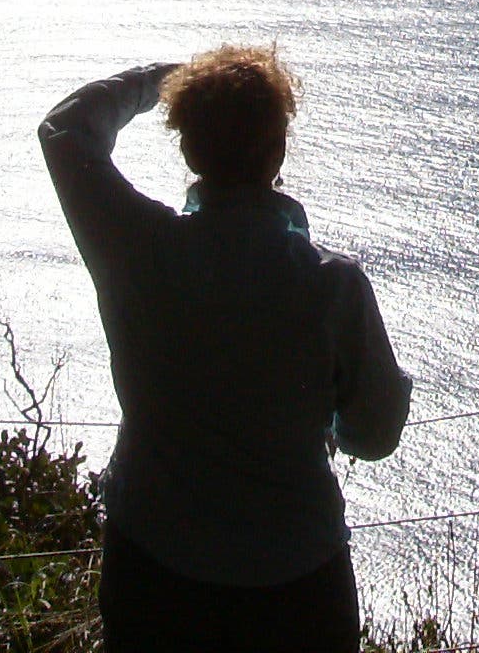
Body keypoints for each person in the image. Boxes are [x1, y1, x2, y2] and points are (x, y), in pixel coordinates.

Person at [39, 45, 410, 652]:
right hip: (297, 581)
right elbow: (375, 436)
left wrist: (156, 81)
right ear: (279, 150)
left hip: (156, 573)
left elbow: (64, 130)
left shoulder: (137, 250)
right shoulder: (330, 284)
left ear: (187, 148)